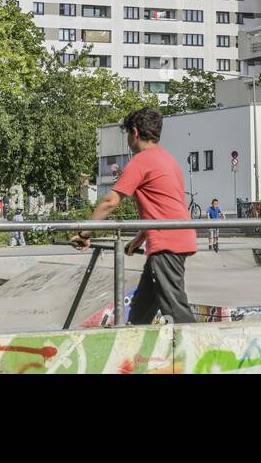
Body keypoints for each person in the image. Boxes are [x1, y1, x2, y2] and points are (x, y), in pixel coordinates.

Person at [70, 107, 196, 324]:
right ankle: (133, 352)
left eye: (128, 133)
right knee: (141, 309)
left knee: (175, 306)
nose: (128, 138)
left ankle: (199, 353)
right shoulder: (167, 159)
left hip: (167, 243)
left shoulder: (141, 160)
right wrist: (140, 238)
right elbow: (163, 207)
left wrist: (84, 233)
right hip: (171, 237)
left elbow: (110, 202)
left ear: (135, 132)